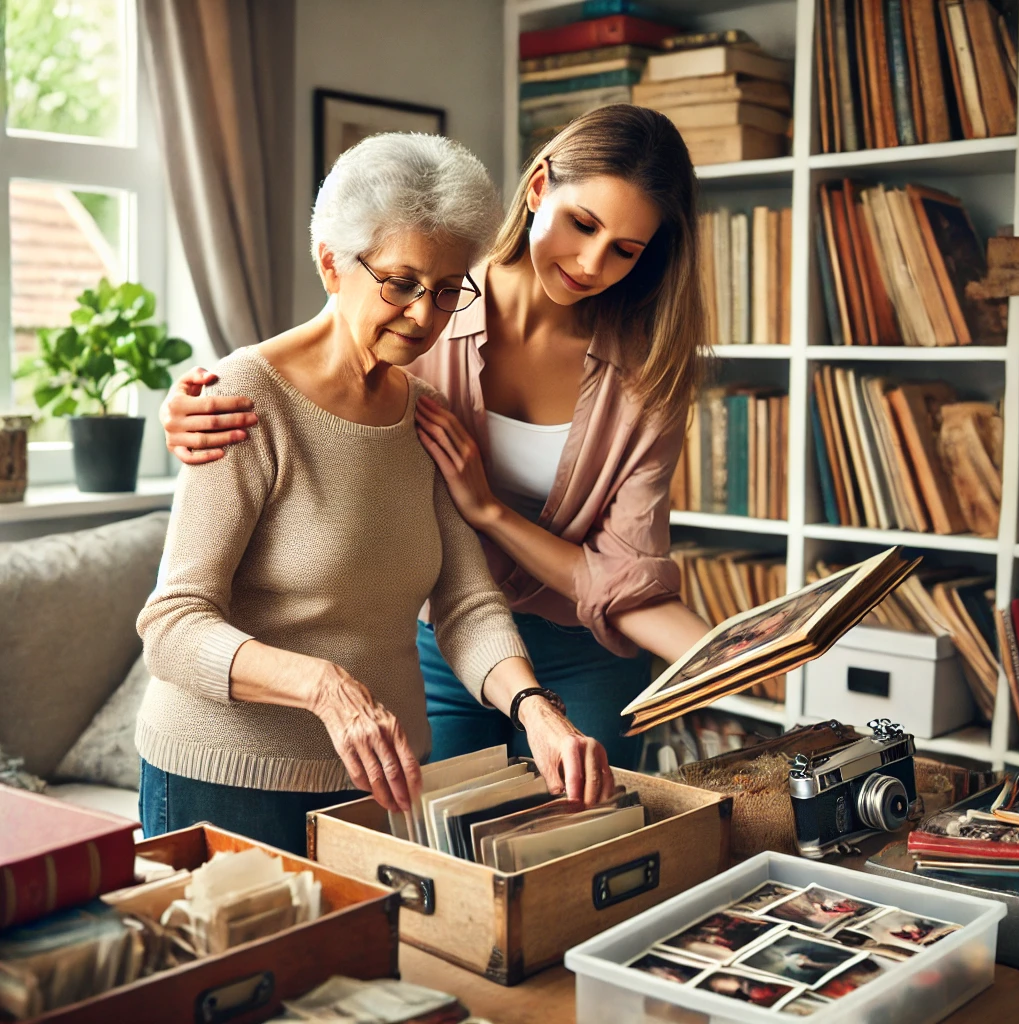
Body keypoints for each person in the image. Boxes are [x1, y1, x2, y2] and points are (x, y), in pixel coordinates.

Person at [158, 105, 712, 770]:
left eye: (625, 250)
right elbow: (317, 368)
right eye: (583, 225)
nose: (592, 263)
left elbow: (626, 581)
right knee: (441, 851)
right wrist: (201, 398)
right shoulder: (435, 297)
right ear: (539, 190)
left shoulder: (647, 374)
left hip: (586, 649)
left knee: (575, 849)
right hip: (443, 639)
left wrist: (739, 657)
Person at [135, 133, 613, 856]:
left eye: (450, 289)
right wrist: (323, 685)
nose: (425, 315)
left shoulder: (423, 413)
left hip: (378, 785)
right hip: (225, 779)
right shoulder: (241, 399)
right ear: (331, 262)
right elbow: (171, 625)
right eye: (401, 281)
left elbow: (466, 605)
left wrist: (535, 709)